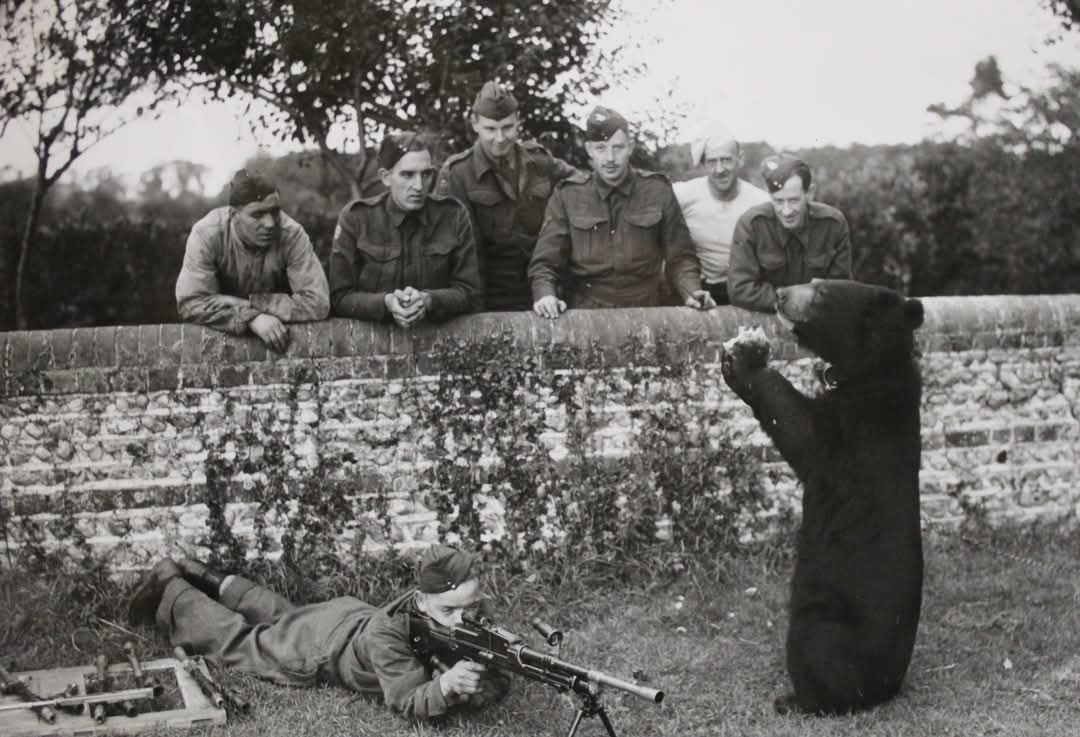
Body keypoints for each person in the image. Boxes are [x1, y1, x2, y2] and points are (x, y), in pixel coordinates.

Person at [127, 544, 508, 721]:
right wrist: (444, 687)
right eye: (450, 611)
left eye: (471, 608)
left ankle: (204, 575)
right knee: (249, 645)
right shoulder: (387, 635)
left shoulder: (437, 606)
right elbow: (406, 699)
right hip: (326, 645)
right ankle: (176, 590)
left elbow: (469, 634)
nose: (463, 619)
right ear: (421, 601)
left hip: (346, 613)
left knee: (285, 617)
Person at [528, 106, 714, 319]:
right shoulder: (567, 195)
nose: (610, 158)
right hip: (586, 314)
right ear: (588, 149)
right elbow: (545, 263)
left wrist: (691, 291)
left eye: (617, 147)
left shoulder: (657, 190)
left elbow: (681, 257)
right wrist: (545, 295)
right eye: (601, 148)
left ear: (630, 147)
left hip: (648, 310)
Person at [437, 81, 578, 311]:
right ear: (475, 124)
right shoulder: (457, 174)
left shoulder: (540, 161)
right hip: (490, 298)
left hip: (544, 292)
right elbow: (464, 257)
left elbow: (582, 185)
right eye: (491, 129)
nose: (500, 138)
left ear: (518, 122)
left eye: (507, 127)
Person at [329, 132, 480, 326]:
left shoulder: (453, 216)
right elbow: (339, 297)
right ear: (386, 177)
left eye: (426, 174)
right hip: (375, 344)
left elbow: (470, 292)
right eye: (407, 175)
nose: (418, 186)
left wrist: (429, 300)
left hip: (438, 340)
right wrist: (384, 303)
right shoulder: (356, 219)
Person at [175, 168, 330, 351]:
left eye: (275, 212)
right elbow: (190, 303)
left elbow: (318, 303)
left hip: (281, 340)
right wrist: (251, 317)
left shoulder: (292, 234)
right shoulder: (206, 234)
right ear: (234, 215)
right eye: (257, 215)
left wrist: (248, 303)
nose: (270, 223)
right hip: (222, 342)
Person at [728, 154, 852, 313]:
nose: (786, 211)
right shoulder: (752, 225)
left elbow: (842, 289)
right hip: (767, 317)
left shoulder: (833, 224)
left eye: (793, 200)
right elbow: (740, 290)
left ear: (810, 193)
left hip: (818, 319)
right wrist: (795, 301)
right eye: (778, 201)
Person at [672, 133, 770, 305]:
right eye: (712, 162)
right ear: (703, 163)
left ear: (740, 159)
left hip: (744, 289)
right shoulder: (684, 194)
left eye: (726, 160)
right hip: (698, 288)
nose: (719, 169)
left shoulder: (760, 201)